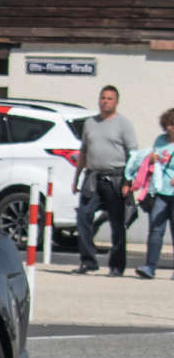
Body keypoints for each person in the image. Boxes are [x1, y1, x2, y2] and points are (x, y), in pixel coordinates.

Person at [73, 85, 138, 276]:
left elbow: (133, 155)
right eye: (103, 98)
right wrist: (76, 178)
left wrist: (128, 181)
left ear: (116, 102)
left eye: (110, 99)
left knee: (117, 223)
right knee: (83, 216)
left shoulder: (123, 124)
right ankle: (88, 261)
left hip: (116, 178)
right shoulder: (90, 123)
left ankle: (117, 266)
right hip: (93, 177)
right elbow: (84, 151)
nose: (105, 102)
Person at [128, 108, 174, 279]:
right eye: (168, 124)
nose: (170, 128)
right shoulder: (160, 140)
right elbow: (153, 160)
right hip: (160, 192)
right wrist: (151, 159)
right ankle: (149, 267)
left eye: (173, 124)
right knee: (156, 230)